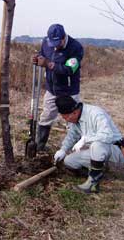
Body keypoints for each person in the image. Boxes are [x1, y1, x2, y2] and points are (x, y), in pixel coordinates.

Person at [53, 95, 124, 194]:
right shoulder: (75, 119)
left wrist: (85, 140)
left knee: (97, 144)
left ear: (74, 112)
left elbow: (107, 136)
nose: (66, 121)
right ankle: (99, 169)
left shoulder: (96, 113)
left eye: (66, 118)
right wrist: (63, 150)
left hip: (116, 151)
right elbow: (72, 136)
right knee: (69, 161)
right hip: (98, 154)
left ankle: (93, 184)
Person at [32, 24, 84, 152]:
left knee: (72, 121)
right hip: (52, 89)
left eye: (57, 43)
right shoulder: (46, 42)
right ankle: (39, 146)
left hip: (68, 91)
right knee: (46, 117)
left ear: (63, 37)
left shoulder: (75, 48)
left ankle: (74, 151)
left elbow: (69, 69)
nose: (54, 46)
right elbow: (42, 54)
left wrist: (48, 64)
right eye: (52, 43)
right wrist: (38, 58)